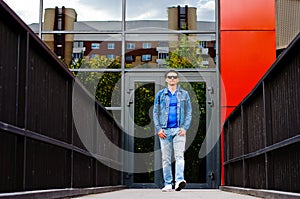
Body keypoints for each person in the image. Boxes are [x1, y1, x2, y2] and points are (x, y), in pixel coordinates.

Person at [153, 69, 192, 192]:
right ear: (166, 79)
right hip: (164, 131)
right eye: (169, 77)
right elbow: (155, 112)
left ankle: (179, 181)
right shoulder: (160, 94)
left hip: (178, 130)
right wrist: (159, 128)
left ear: (178, 79)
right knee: (166, 158)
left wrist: (185, 127)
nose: (172, 79)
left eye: (174, 77)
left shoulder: (184, 94)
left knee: (179, 156)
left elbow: (189, 112)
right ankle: (168, 183)